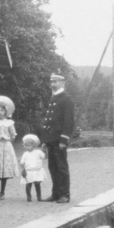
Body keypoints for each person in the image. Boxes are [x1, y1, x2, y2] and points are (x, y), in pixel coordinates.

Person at [40, 72, 75, 203]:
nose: (53, 84)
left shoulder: (66, 98)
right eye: (51, 82)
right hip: (51, 138)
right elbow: (49, 121)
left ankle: (65, 194)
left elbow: (68, 121)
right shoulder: (54, 98)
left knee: (62, 167)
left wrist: (64, 139)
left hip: (59, 139)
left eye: (56, 82)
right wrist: (45, 140)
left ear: (63, 83)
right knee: (53, 167)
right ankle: (56, 193)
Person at [19, 134, 46, 202]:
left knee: (37, 184)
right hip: (29, 171)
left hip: (37, 170)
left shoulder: (38, 152)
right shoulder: (25, 154)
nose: (27, 147)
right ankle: (29, 196)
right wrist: (23, 169)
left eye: (29, 145)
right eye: (26, 146)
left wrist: (44, 151)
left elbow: (44, 157)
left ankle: (39, 196)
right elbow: (22, 162)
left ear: (34, 145)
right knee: (28, 184)